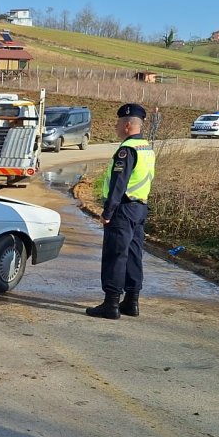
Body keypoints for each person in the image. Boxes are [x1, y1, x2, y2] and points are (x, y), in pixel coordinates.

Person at [87, 102, 156, 320]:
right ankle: (132, 301)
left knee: (115, 255)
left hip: (123, 210)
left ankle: (111, 304)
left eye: (118, 123)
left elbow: (119, 183)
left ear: (127, 125)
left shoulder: (126, 150)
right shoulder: (146, 147)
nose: (115, 127)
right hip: (140, 208)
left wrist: (107, 212)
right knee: (134, 255)